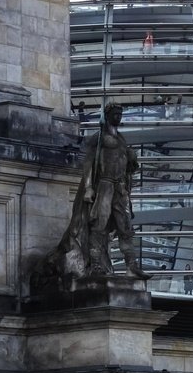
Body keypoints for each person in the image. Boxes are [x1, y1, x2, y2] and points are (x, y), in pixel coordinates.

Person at [57, 102, 146, 279]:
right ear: (107, 115)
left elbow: (127, 167)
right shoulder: (98, 138)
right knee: (99, 224)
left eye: (120, 114)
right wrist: (89, 188)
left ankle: (132, 266)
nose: (118, 117)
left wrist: (131, 160)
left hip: (119, 188)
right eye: (115, 113)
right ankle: (96, 265)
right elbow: (88, 163)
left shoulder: (121, 139)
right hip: (104, 186)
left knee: (125, 227)